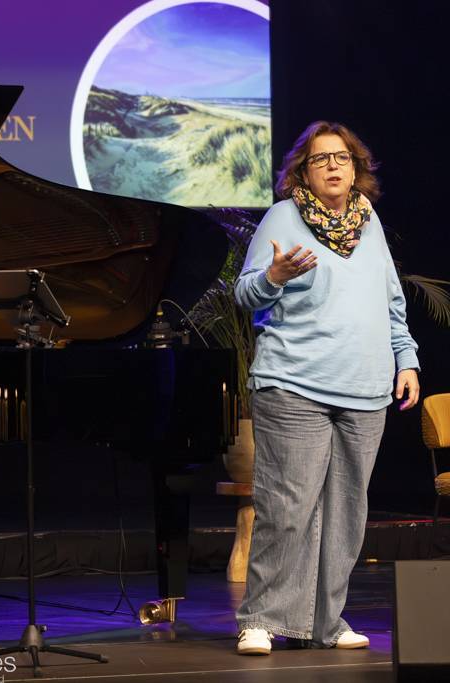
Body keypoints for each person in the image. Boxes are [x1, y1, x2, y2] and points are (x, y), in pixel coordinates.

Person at [232, 121, 420, 655]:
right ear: (303, 171)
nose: (333, 166)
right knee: (287, 509)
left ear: (356, 169)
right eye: (320, 159)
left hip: (365, 388)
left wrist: (406, 359)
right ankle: (262, 619)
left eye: (342, 158)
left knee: (346, 516)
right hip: (296, 384)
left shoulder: (368, 221)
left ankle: (325, 622)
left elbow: (392, 303)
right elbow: (245, 295)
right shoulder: (284, 217)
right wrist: (274, 277)